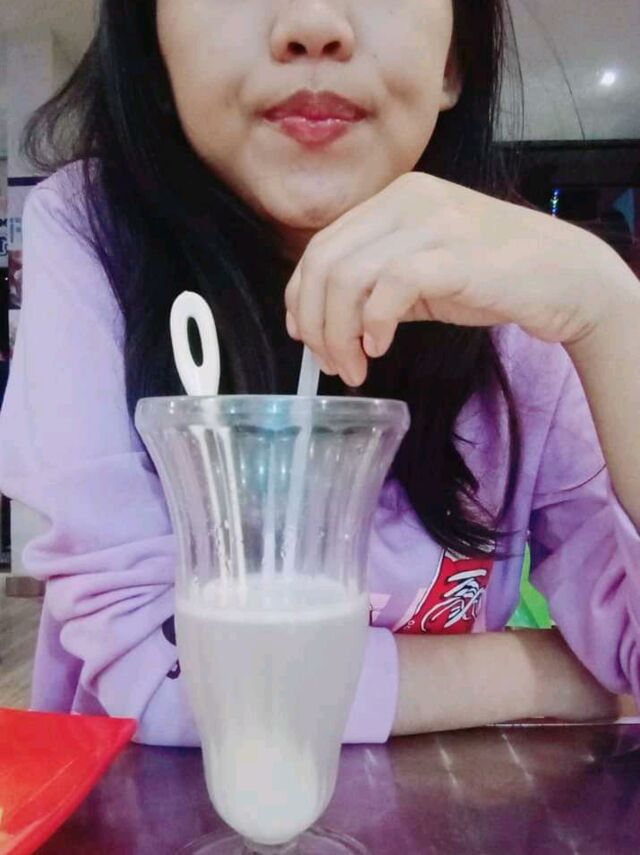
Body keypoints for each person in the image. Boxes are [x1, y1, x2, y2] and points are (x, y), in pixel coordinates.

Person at [0, 0, 639, 747]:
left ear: (454, 59)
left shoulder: (515, 311)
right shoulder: (91, 232)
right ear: (154, 44)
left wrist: (611, 312)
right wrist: (557, 675)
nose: (312, 23)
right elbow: (163, 680)